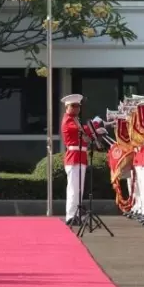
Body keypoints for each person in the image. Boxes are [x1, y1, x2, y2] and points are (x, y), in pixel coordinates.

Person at [60, 94, 87, 225]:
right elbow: (81, 130)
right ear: (67, 107)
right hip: (74, 157)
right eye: (73, 106)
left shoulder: (75, 119)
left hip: (80, 157)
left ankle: (77, 214)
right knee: (73, 189)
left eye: (78, 106)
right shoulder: (68, 119)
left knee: (78, 189)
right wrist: (96, 126)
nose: (76, 108)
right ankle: (71, 216)